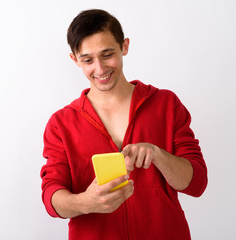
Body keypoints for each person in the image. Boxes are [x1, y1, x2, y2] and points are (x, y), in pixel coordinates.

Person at [40, 9, 207, 240]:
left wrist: (158, 154)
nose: (99, 69)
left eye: (107, 54)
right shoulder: (61, 123)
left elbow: (196, 183)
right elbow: (51, 196)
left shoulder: (166, 104)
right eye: (87, 60)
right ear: (75, 60)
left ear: (124, 46)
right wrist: (84, 202)